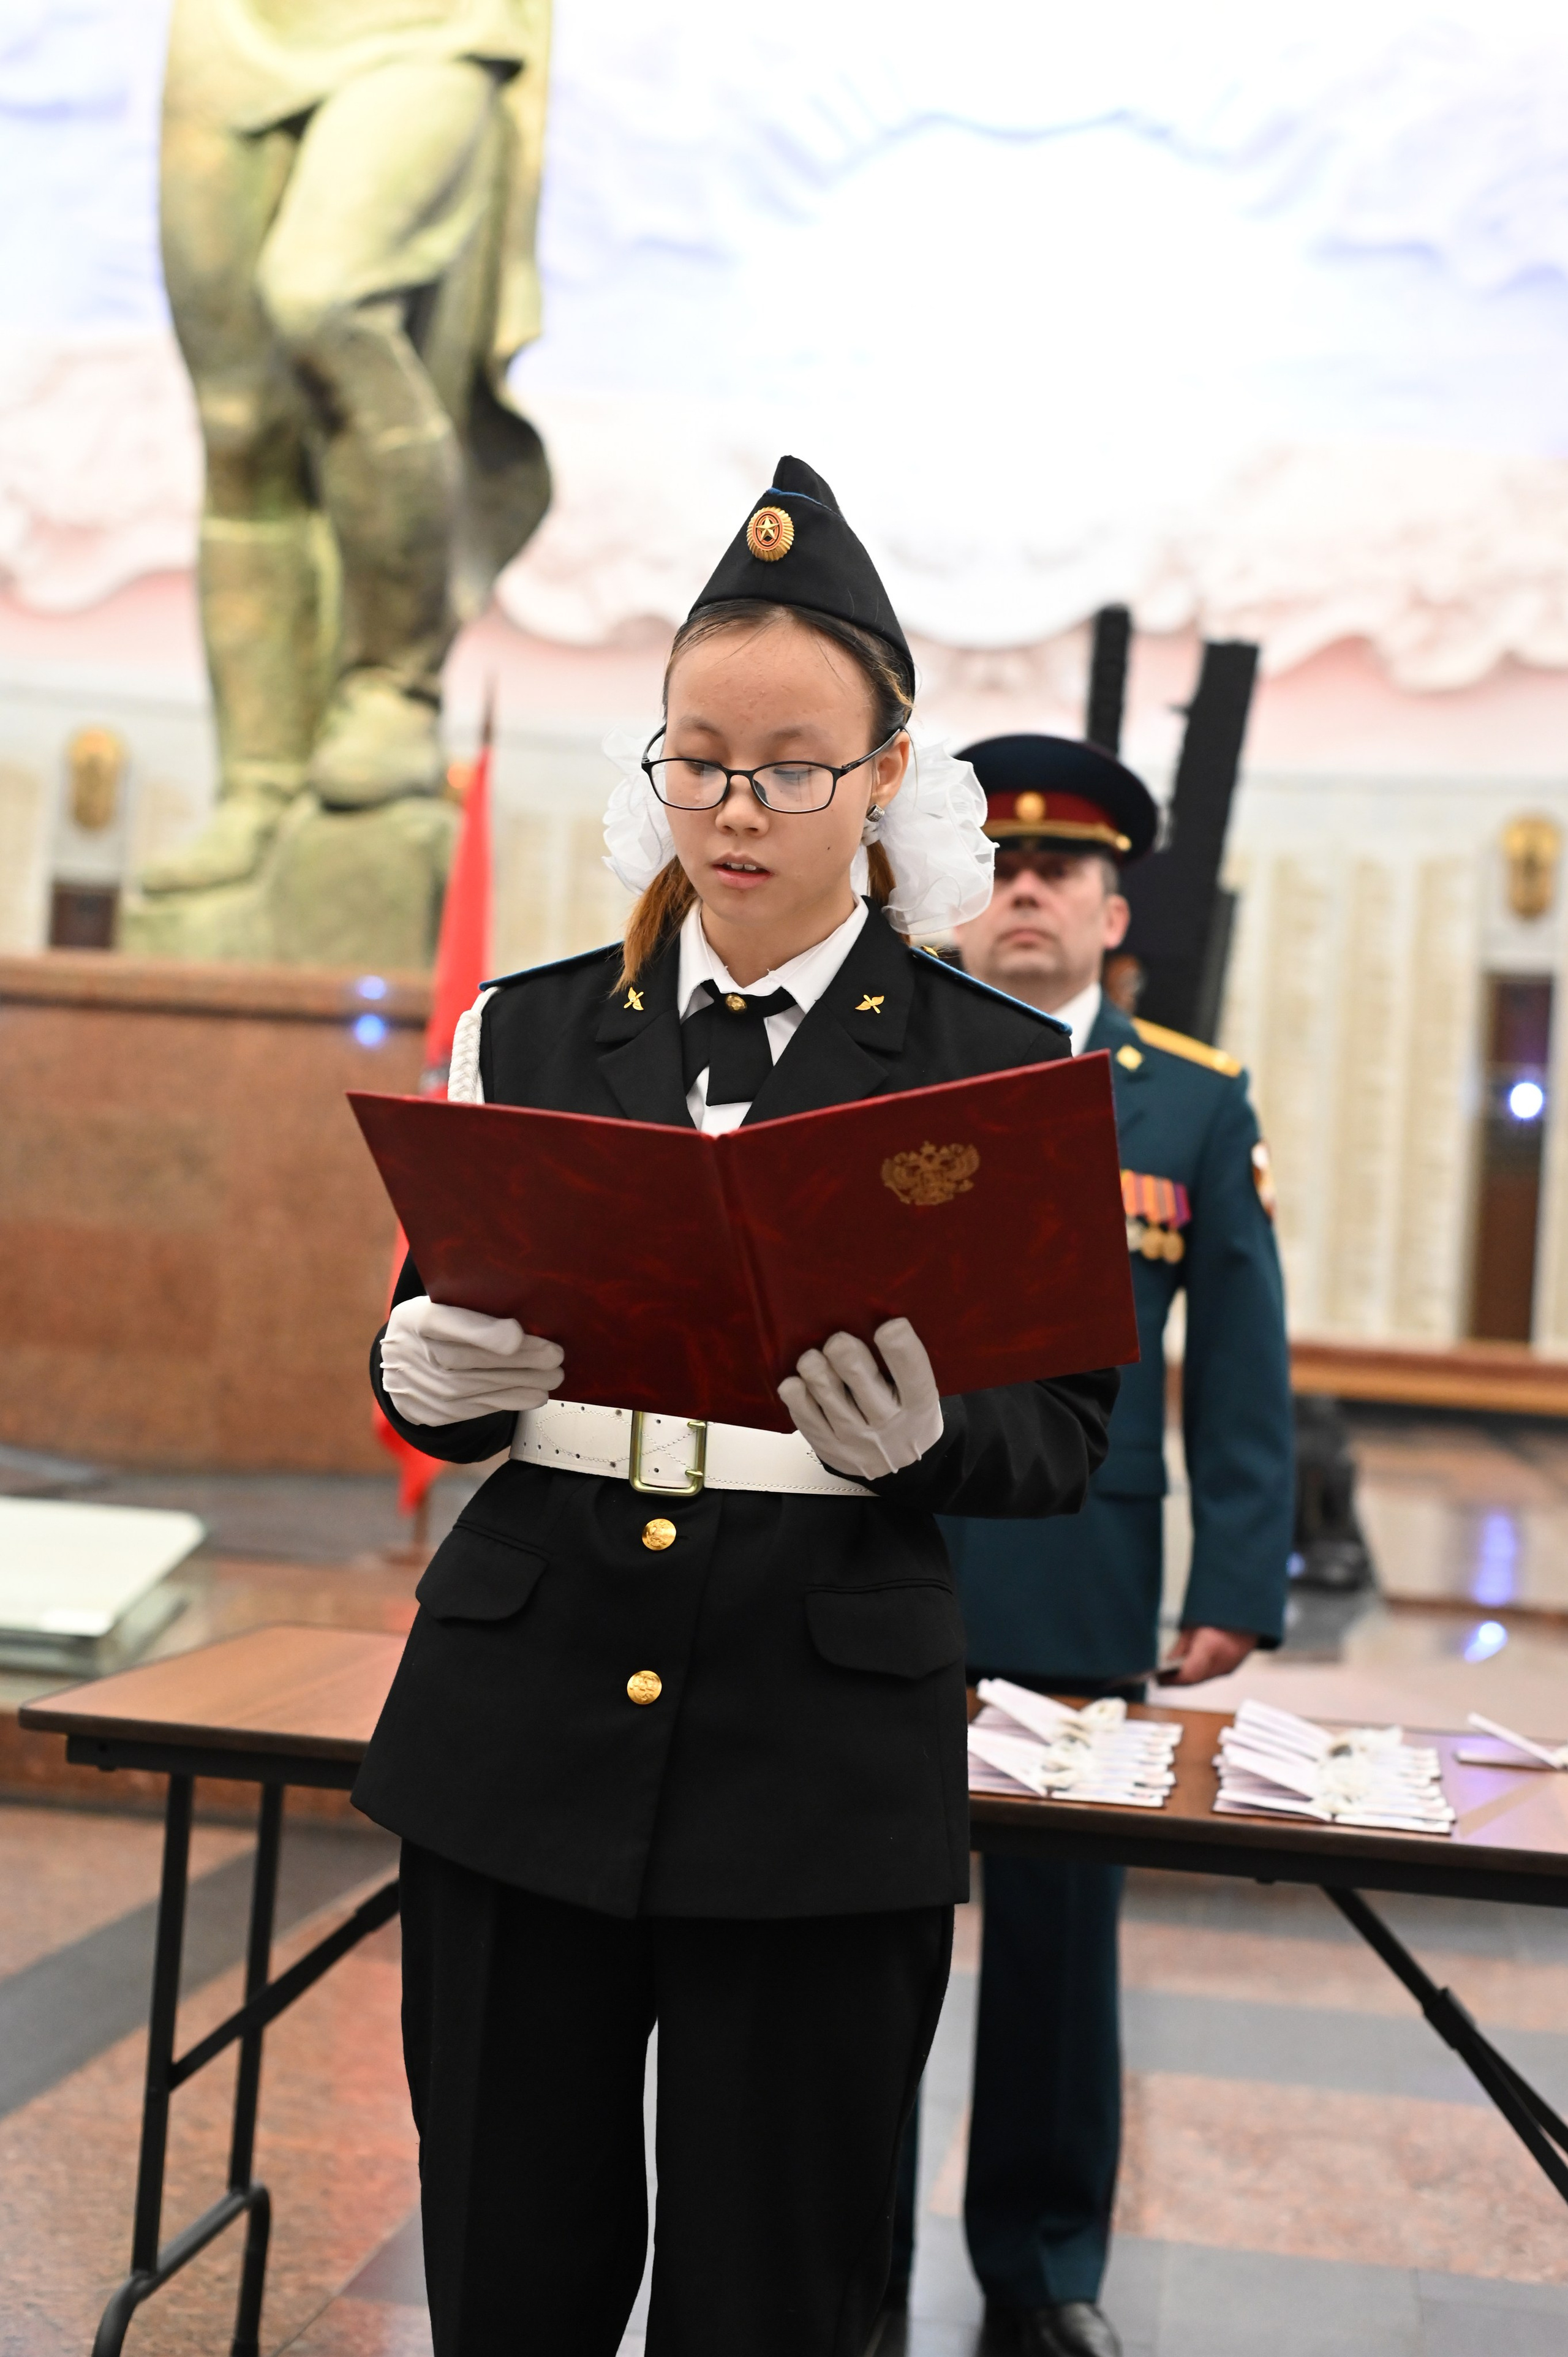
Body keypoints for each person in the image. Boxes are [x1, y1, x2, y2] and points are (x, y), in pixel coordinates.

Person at [352, 463, 1121, 2357]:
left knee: (774, 2288)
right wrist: (415, 1375)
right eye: (699, 761)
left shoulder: (995, 1071)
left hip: (817, 1745)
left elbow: (1064, 1436)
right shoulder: (526, 1031)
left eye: (791, 766)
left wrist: (920, 1442)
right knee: (505, 2266)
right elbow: (437, 1328)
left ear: (885, 776)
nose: (738, 809)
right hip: (518, 1723)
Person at [888, 734, 1293, 2357]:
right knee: (854, 1935)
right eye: (1002, 864)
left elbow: (1248, 1360)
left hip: (1078, 1577)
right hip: (880, 1563)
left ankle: (1045, 2273)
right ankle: (834, 2245)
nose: (1031, 888)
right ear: (960, 900)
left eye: (1065, 870)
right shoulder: (894, 1064)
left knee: (1059, 1962)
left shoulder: (1190, 1103)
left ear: (1115, 915)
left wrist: (1237, 1583)